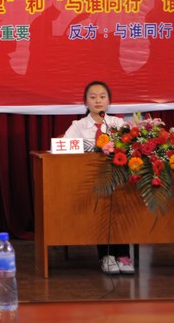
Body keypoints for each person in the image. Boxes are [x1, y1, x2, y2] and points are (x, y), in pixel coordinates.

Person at [63, 81, 134, 275]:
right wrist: (94, 147)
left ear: (109, 101)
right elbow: (65, 147)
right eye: (93, 97)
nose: (98, 101)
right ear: (85, 102)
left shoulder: (118, 124)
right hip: (90, 181)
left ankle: (123, 255)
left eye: (102, 96)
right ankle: (106, 256)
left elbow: (131, 145)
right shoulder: (78, 126)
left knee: (121, 207)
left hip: (119, 180)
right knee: (101, 209)